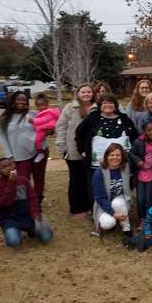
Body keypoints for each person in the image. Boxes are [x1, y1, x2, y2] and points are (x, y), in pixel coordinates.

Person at [0, 90, 48, 205]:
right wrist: (9, 156)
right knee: (23, 181)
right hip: (19, 156)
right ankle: (25, 203)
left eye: (24, 100)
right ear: (13, 101)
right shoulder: (3, 118)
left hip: (39, 151)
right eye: (19, 99)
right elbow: (2, 138)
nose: (22, 102)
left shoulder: (33, 114)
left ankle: (37, 202)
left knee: (39, 179)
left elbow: (46, 126)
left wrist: (49, 130)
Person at [0, 157, 53, 248]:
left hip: (28, 215)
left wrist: (35, 213)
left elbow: (33, 198)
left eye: (9, 165)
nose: (8, 168)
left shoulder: (23, 181)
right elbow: (6, 203)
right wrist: (11, 184)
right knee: (14, 242)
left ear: (14, 166)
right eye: (3, 167)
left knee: (47, 237)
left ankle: (32, 230)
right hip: (9, 218)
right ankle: (11, 232)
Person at [75, 93, 138, 182]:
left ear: (115, 105)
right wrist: (82, 150)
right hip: (97, 165)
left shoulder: (124, 119)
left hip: (121, 165)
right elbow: (79, 133)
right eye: (104, 103)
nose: (107, 105)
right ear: (100, 106)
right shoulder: (93, 118)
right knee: (98, 190)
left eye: (110, 103)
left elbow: (135, 136)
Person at [55, 83, 97, 218]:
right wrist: (61, 147)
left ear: (93, 93)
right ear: (78, 94)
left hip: (92, 150)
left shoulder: (97, 108)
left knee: (88, 180)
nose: (86, 94)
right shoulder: (70, 108)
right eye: (83, 92)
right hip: (73, 150)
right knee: (76, 179)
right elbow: (61, 127)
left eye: (89, 92)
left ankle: (89, 206)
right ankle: (77, 208)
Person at [91, 143, 133, 237]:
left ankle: (127, 229)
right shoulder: (99, 173)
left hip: (121, 201)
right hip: (104, 204)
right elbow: (100, 197)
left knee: (117, 203)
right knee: (108, 223)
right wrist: (113, 213)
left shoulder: (126, 168)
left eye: (118, 155)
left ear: (122, 156)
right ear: (106, 156)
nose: (115, 158)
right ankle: (113, 220)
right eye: (112, 155)